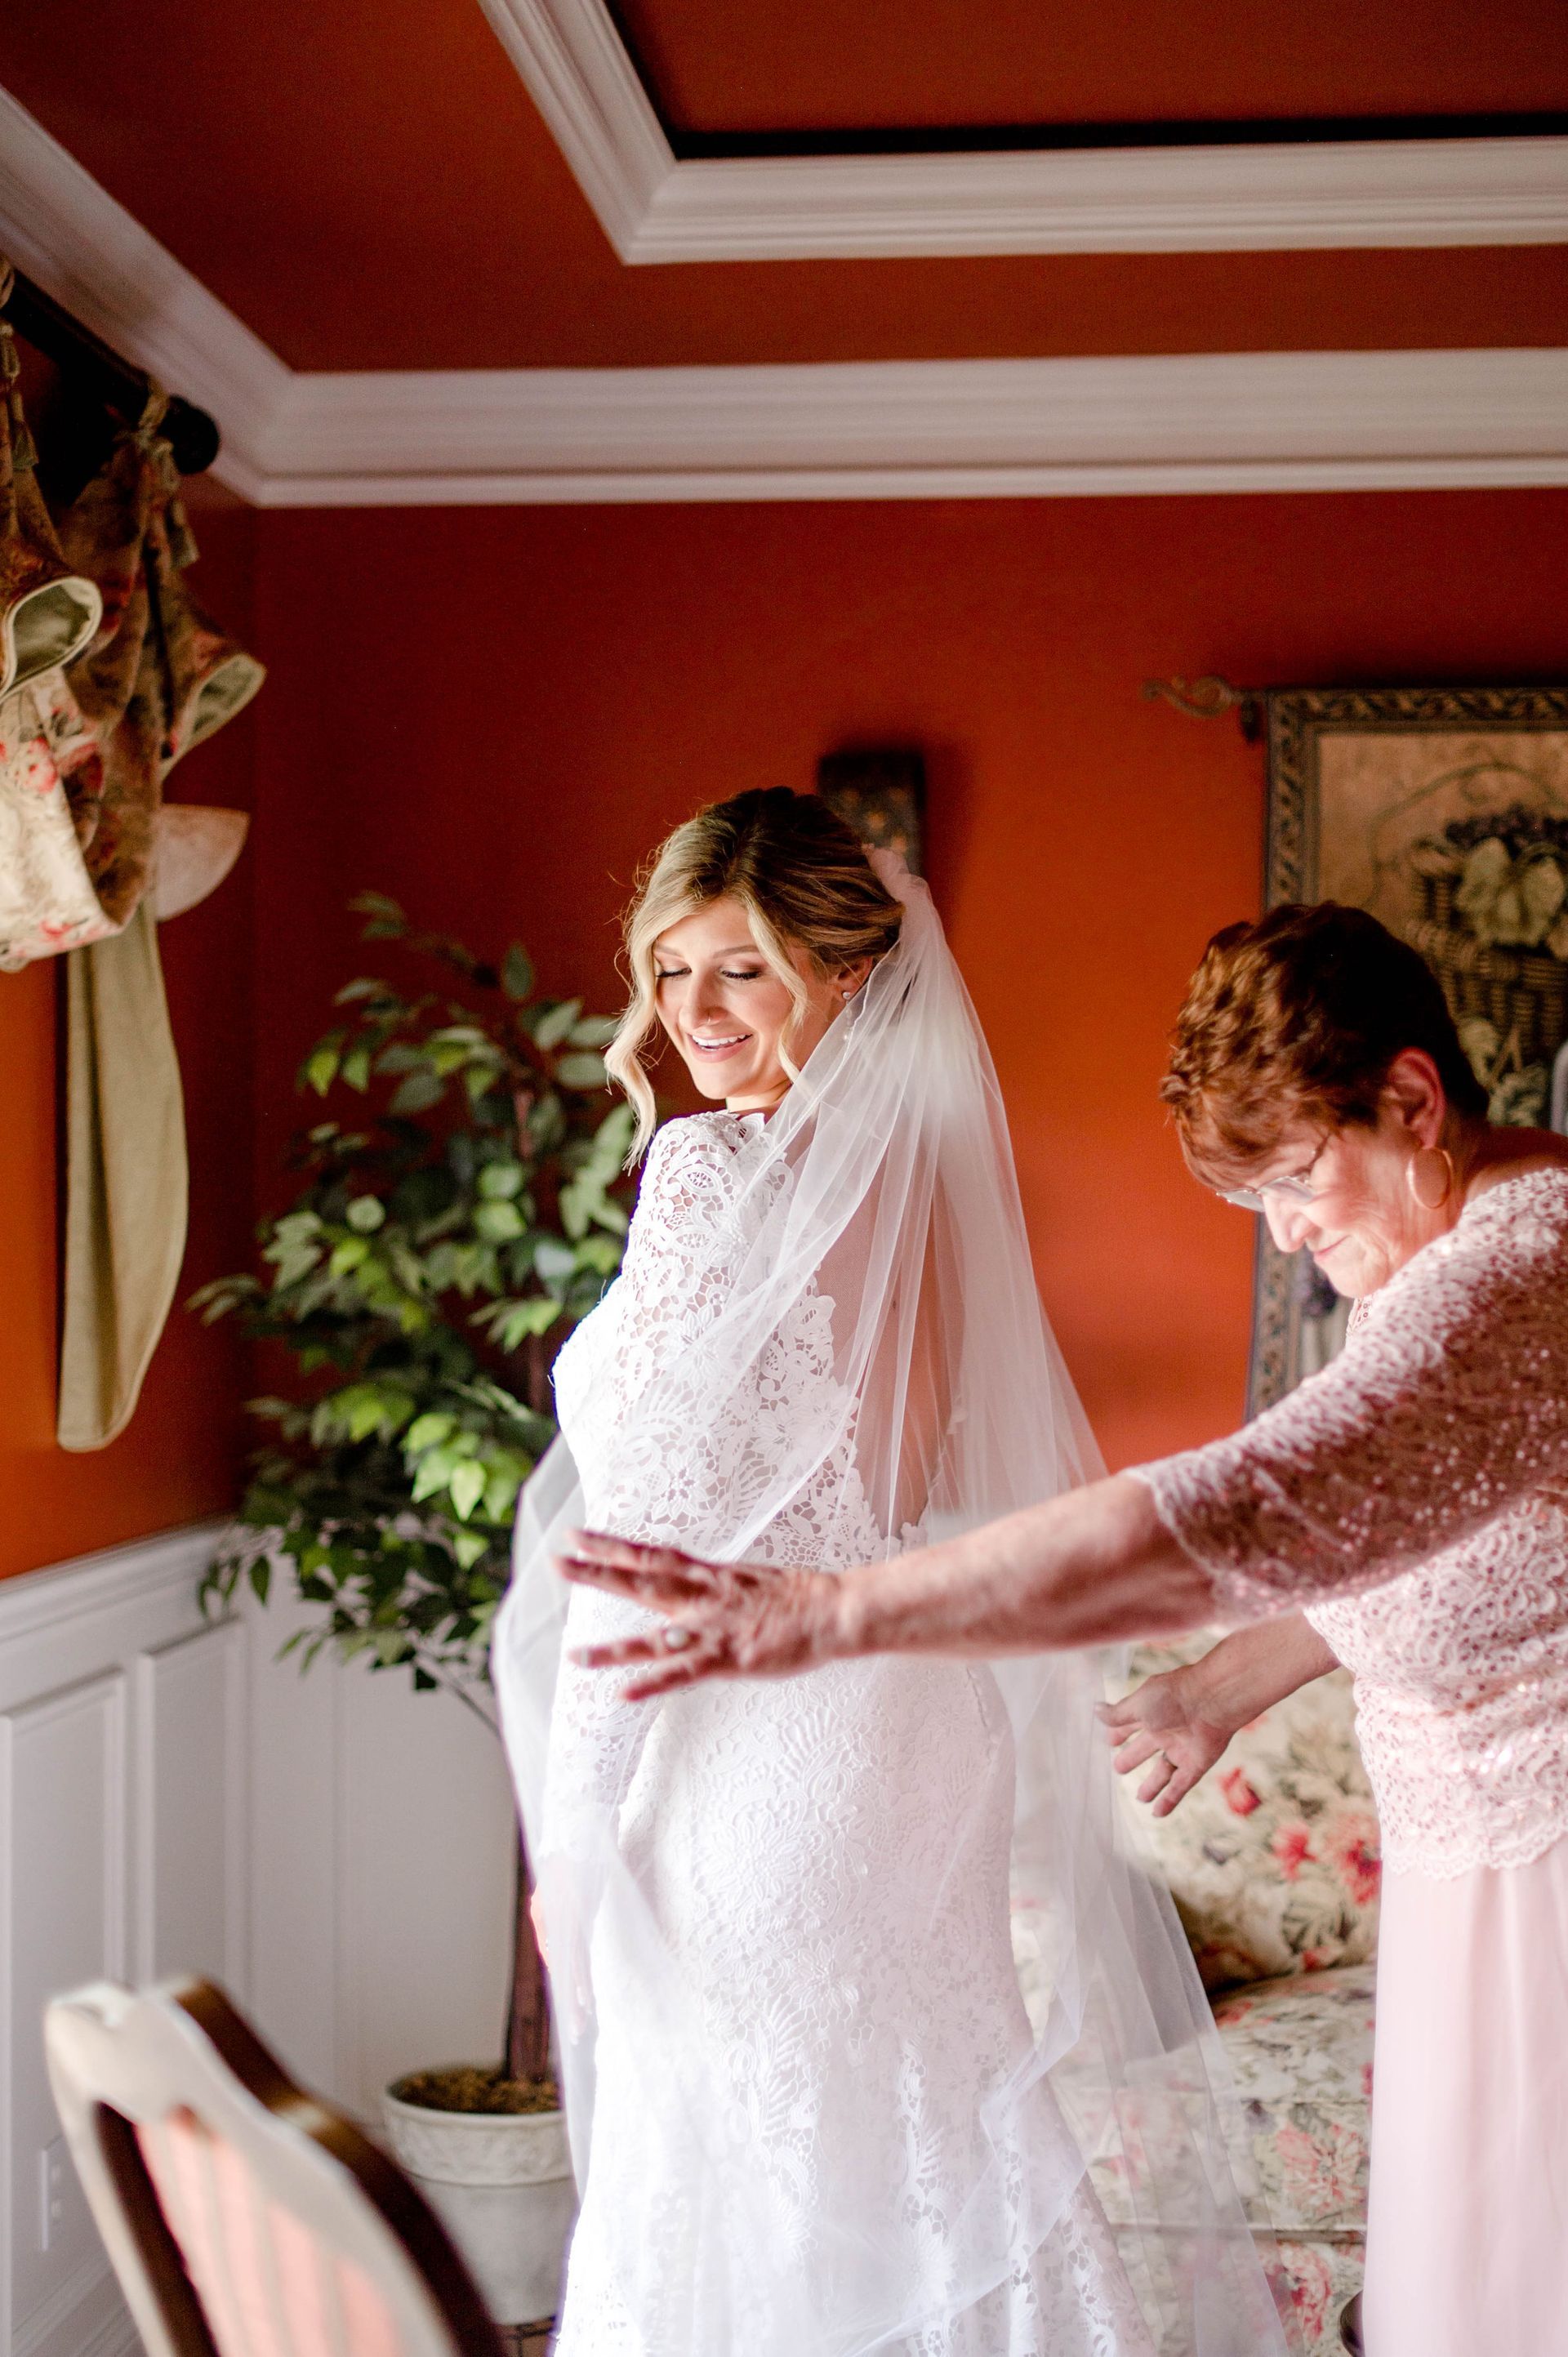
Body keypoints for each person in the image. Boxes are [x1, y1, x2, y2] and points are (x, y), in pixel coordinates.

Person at [564, 899, 1568, 2357]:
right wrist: (1220, 1687)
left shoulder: (1505, 1287)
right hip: (1471, 1884)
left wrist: (835, 1610)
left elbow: (1248, 1503)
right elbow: (1424, 1552)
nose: (1290, 1237)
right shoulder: (1444, 1232)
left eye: (1295, 1181)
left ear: (1412, 1097)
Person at [493, 790, 1288, 2357]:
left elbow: (642, 1555)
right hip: (914, 1735)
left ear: (843, 972)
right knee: (940, 2140)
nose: (693, 1014)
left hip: (760, 1771)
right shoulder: (924, 1177)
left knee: (742, 2181)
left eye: (742, 968)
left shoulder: (718, 1178)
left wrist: (572, 1829)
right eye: (672, 971)